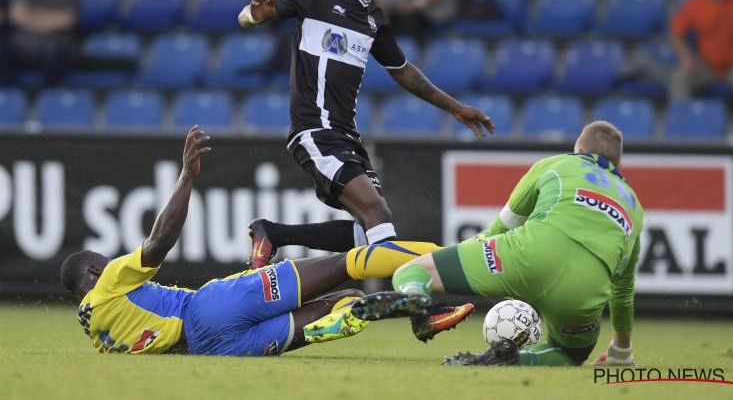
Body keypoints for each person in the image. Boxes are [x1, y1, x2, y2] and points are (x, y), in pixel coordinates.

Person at [60, 126, 473, 356]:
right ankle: (457, 263)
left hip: (214, 349)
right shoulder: (111, 280)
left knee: (338, 307)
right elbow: (158, 243)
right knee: (347, 263)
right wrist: (186, 177)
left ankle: (411, 309)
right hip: (208, 308)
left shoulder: (98, 335)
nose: (114, 261)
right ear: (95, 269)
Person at [237, 0, 494, 269]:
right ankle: (415, 305)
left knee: (367, 231)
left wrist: (456, 108)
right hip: (316, 129)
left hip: (346, 135)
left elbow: (403, 71)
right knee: (378, 213)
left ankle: (274, 234)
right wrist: (254, 14)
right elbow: (252, 16)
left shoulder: (375, 20)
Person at [351, 121, 644, 367]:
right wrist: (621, 350)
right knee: (569, 354)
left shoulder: (556, 164)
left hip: (527, 256)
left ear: (578, 148)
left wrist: (465, 254)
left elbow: (502, 227)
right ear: (617, 164)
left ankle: (418, 299)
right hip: (585, 289)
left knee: (412, 272)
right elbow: (623, 288)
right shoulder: (633, 205)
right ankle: (517, 359)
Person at [624, 0, 733, 103]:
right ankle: (682, 121)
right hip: (706, 65)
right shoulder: (697, 2)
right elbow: (675, 32)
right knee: (679, 78)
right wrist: (686, 57)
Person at [8, 0, 77, 87]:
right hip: (23, 48)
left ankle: (48, 99)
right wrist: (48, 20)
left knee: (52, 51)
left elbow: (66, 21)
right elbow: (16, 16)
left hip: (53, 49)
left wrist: (32, 16)